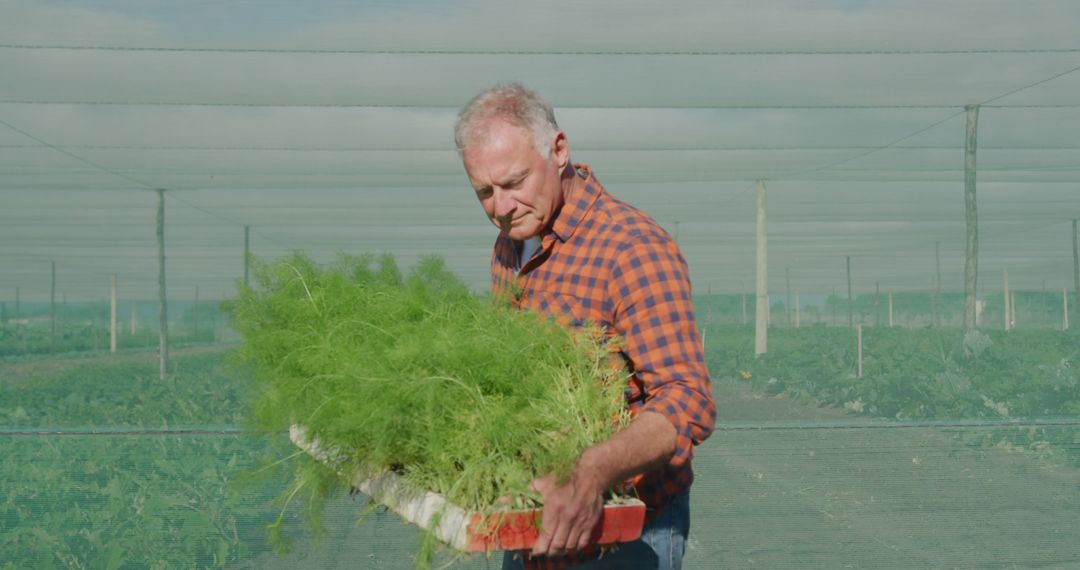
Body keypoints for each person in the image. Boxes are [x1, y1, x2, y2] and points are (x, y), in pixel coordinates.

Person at [454, 83, 716, 570]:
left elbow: (687, 400)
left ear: (558, 150)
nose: (501, 207)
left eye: (514, 183)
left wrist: (591, 471)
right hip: (536, 512)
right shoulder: (509, 245)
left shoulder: (631, 248)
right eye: (484, 192)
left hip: (625, 527)